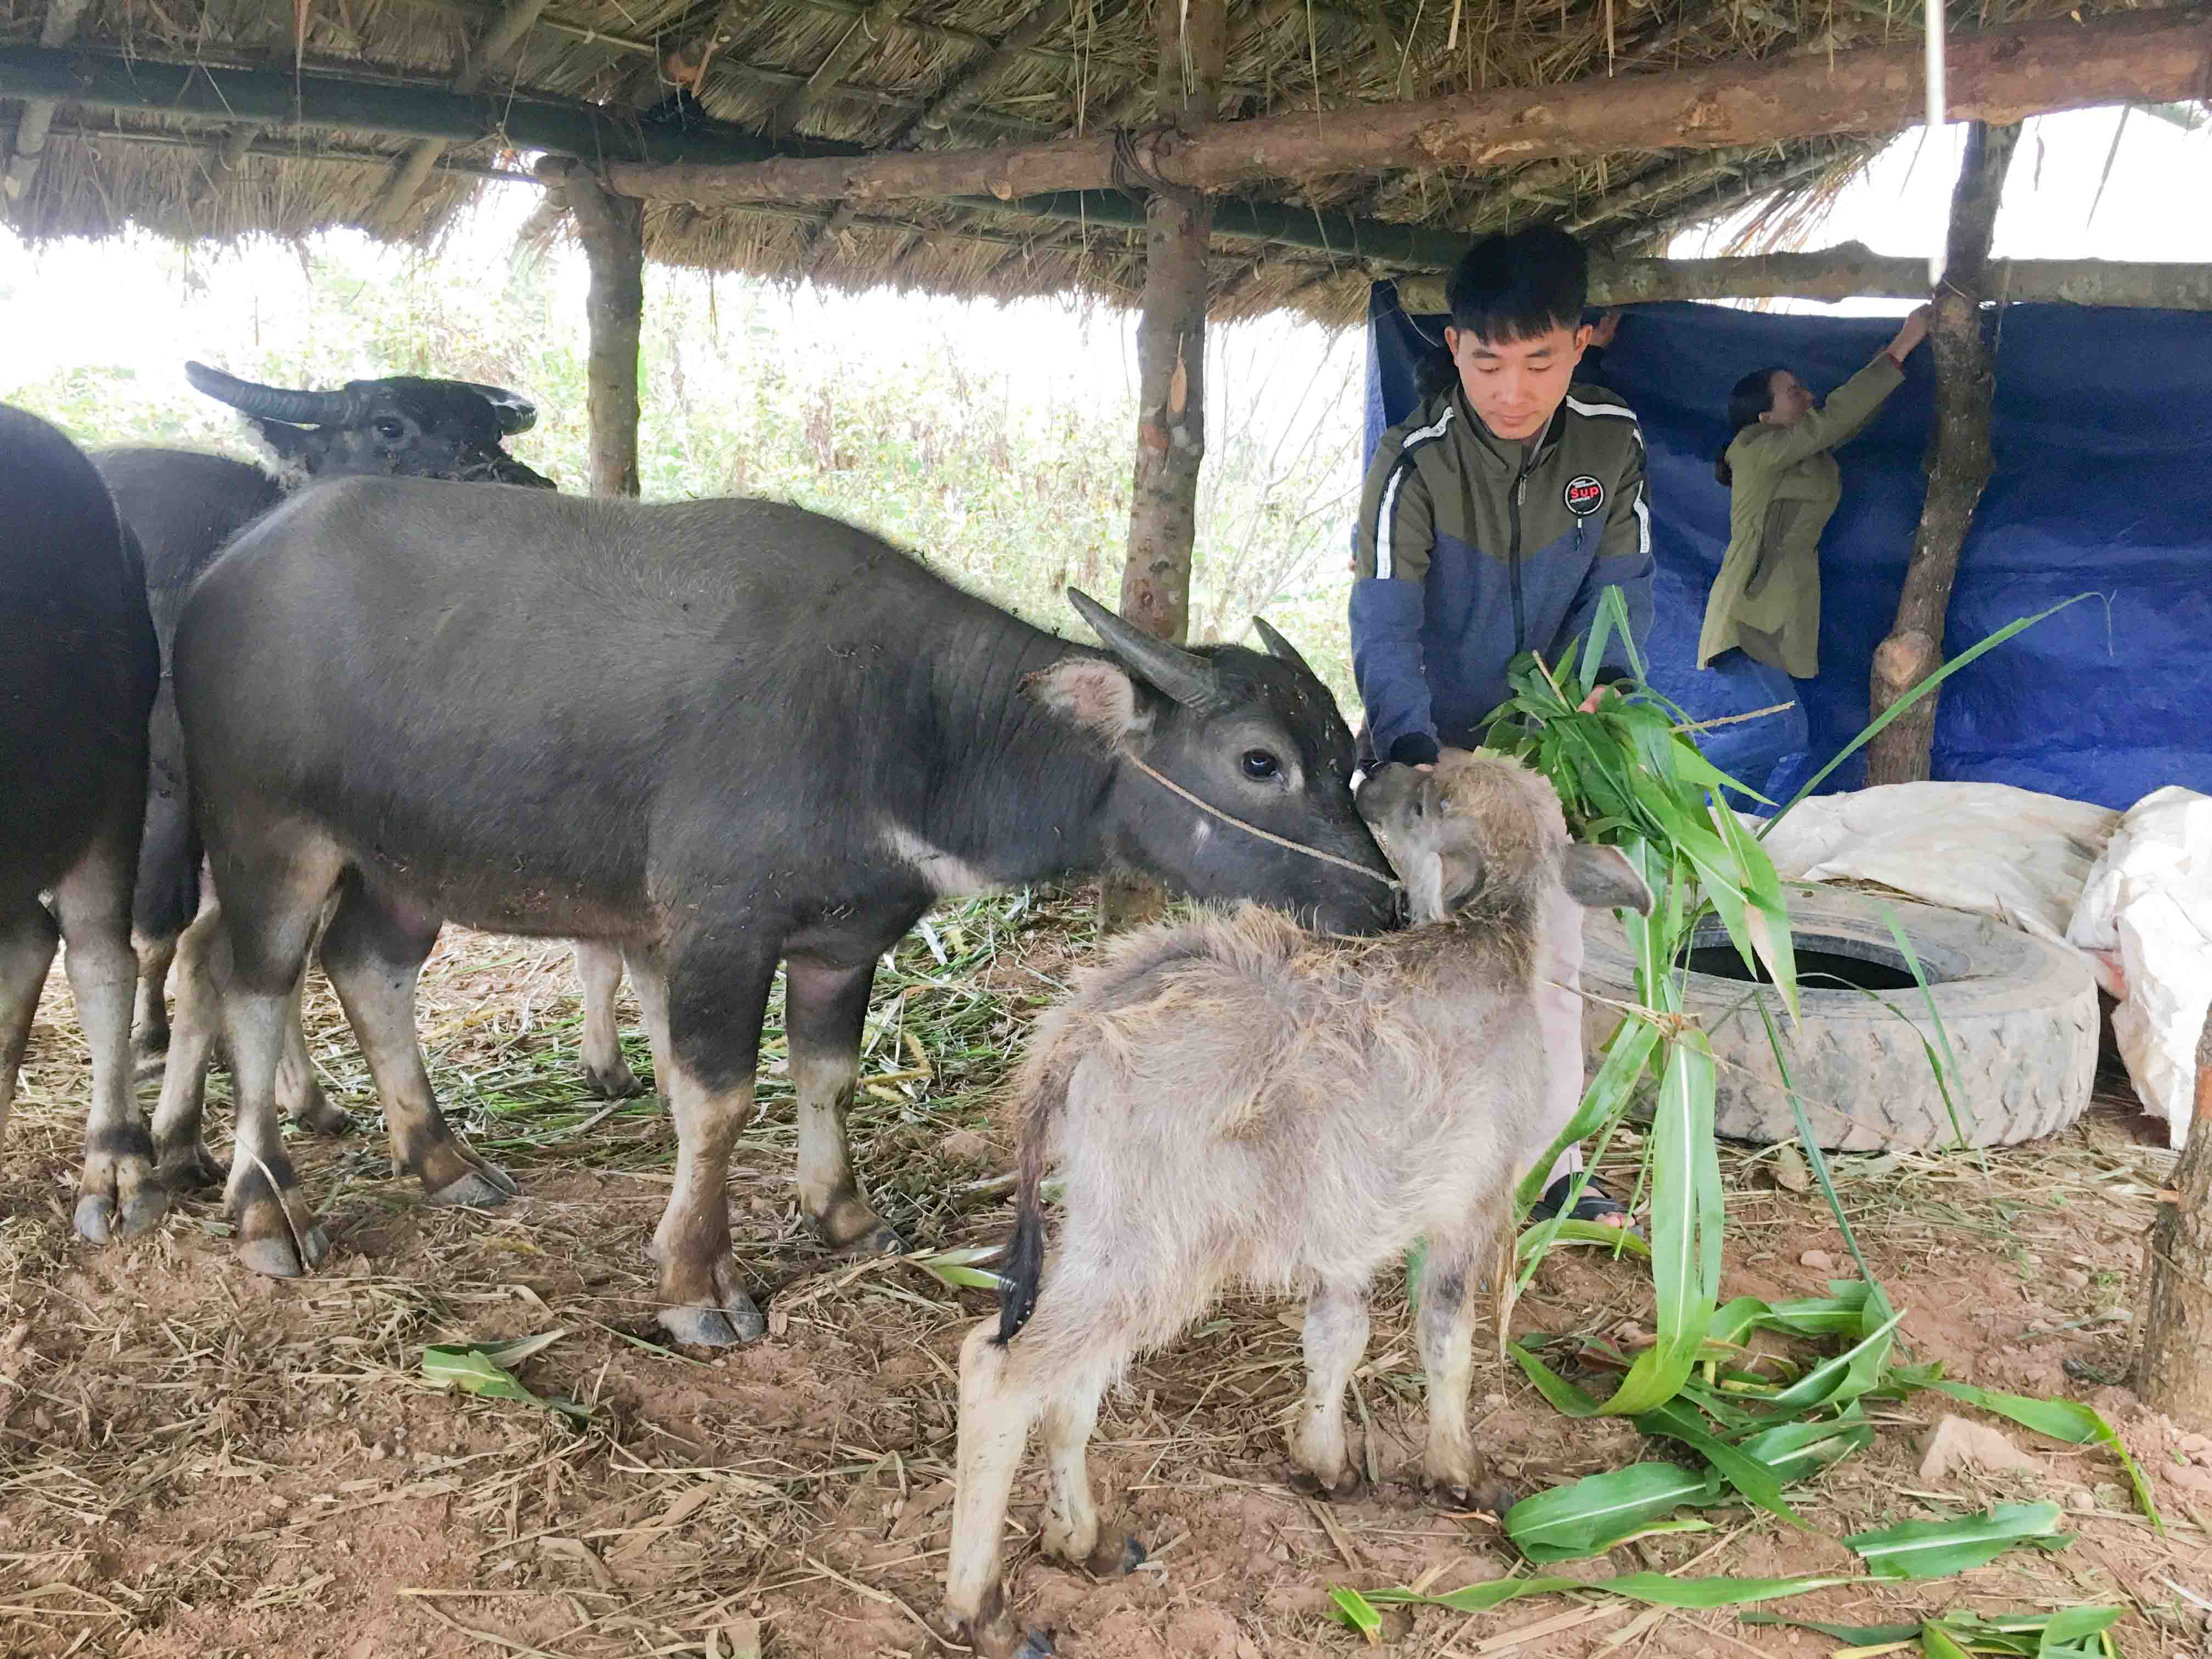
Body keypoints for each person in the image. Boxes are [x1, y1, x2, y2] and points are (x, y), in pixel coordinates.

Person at [1349, 225, 1654, 1231]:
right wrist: (1411, 746)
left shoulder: (1610, 444)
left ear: (1581, 343)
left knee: (1550, 964)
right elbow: (1385, 612)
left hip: (1545, 756)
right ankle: (1409, 1171)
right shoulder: (1418, 461)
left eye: (1539, 361)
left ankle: (1549, 1167)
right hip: (1429, 749)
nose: (1511, 390)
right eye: (1486, 362)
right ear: (1452, 348)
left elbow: (1621, 591)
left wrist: (1602, 693)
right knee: (1423, 956)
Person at [1697, 307, 1930, 679]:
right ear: (1765, 418)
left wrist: (1884, 371)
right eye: (1794, 394)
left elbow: (1841, 425)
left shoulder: (1800, 454)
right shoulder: (1754, 449)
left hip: (1781, 603)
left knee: (1775, 720)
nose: (1809, 396)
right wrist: (1901, 346)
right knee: (1765, 721)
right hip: (1752, 608)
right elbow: (1830, 422)